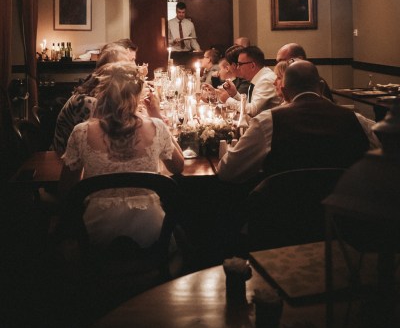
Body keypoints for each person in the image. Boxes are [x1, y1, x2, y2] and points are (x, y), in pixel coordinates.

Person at [59, 61, 184, 248]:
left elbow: (67, 191)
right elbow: (178, 167)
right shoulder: (157, 127)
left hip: (95, 233)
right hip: (151, 232)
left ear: (102, 94)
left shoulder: (81, 132)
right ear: (138, 95)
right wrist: (157, 116)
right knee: (182, 234)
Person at [217, 60, 380, 184]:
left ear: (285, 92)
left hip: (285, 215)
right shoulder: (356, 119)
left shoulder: (269, 122)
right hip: (343, 215)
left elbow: (228, 170)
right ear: (322, 87)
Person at [51, 43, 132, 156]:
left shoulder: (98, 93)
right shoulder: (87, 101)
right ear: (110, 71)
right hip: (64, 159)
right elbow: (95, 140)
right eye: (124, 68)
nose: (130, 72)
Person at [221, 46, 280, 118]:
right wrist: (235, 94)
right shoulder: (258, 78)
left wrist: (228, 100)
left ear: (252, 65)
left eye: (240, 64)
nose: (238, 67)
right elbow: (249, 104)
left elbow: (252, 110)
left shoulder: (265, 80)